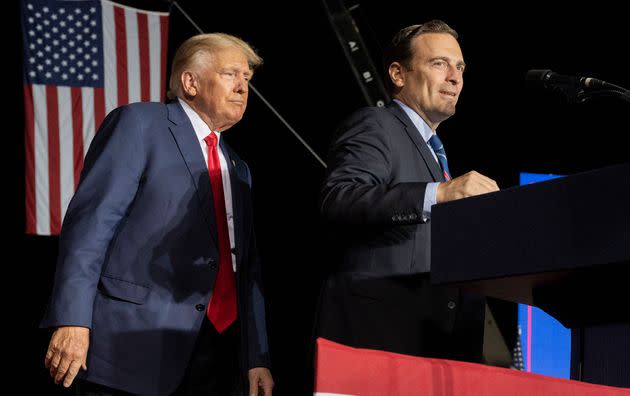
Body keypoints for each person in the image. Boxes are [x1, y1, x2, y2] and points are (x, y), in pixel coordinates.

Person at [41, 33, 274, 396]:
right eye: (231, 74)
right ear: (190, 81)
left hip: (215, 354)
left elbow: (247, 267)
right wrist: (72, 318)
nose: (243, 87)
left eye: (247, 78)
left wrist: (256, 356)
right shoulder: (140, 124)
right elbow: (91, 225)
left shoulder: (238, 167)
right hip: (128, 348)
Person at [316, 20, 500, 362]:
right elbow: (340, 197)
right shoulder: (376, 124)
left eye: (460, 67)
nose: (455, 77)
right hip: (382, 333)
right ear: (399, 74)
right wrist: (437, 195)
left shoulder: (433, 149)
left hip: (440, 338)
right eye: (439, 64)